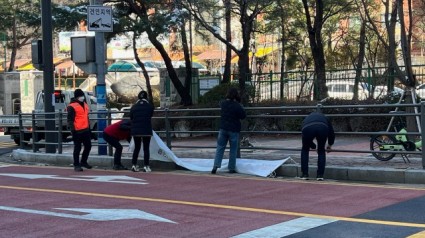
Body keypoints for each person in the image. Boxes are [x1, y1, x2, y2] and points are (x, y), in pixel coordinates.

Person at [211, 87, 246, 174]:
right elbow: (243, 115)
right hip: (233, 129)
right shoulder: (237, 105)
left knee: (220, 148)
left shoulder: (223, 103)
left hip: (223, 128)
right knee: (233, 149)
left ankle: (215, 166)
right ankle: (231, 168)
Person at [300, 111, 335, 181]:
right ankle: (320, 175)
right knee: (321, 151)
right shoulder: (325, 117)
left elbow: (306, 137)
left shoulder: (307, 118)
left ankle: (305, 174)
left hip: (307, 128)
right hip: (322, 127)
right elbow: (331, 132)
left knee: (305, 149)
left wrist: (313, 146)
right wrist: (330, 144)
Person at [67, 89, 92, 172]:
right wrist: (73, 130)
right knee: (77, 148)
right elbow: (70, 120)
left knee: (88, 146)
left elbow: (86, 117)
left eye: (82, 95)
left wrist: (89, 128)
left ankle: (83, 162)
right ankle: (76, 165)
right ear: (76, 97)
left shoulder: (85, 104)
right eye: (80, 96)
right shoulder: (72, 106)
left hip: (85, 129)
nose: (82, 97)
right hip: (77, 130)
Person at [130, 90, 154, 172]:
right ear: (146, 97)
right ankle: (146, 166)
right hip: (146, 130)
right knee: (146, 148)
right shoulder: (149, 106)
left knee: (137, 147)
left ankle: (134, 165)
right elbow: (150, 115)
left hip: (136, 130)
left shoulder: (133, 107)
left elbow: (131, 118)